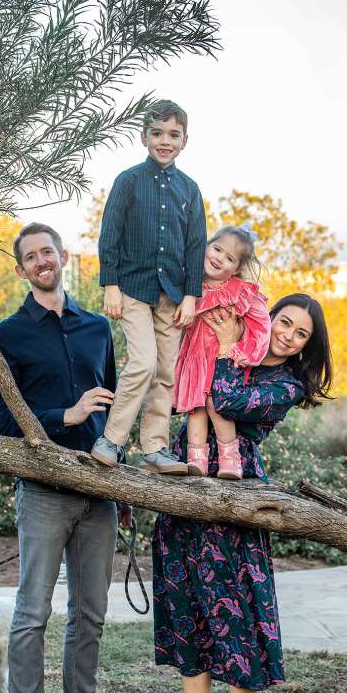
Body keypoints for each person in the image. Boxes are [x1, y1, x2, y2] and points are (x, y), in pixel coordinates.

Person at [153, 293, 334, 693]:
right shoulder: (237, 345)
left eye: (301, 334)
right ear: (269, 317)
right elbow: (183, 387)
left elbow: (226, 398)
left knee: (231, 610)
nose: (288, 335)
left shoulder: (286, 384)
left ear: (303, 348)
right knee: (185, 602)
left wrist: (226, 345)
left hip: (233, 492)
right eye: (285, 322)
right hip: (185, 478)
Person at [0, 222, 137, 693]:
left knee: (91, 615)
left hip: (98, 493)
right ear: (22, 269)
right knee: (31, 615)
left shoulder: (98, 327)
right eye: (31, 257)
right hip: (44, 492)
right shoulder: (6, 335)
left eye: (48, 251)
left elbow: (119, 412)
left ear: (63, 256)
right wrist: (64, 415)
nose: (42, 261)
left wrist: (119, 478)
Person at [91, 99, 207, 474]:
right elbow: (110, 235)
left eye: (173, 134)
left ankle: (155, 448)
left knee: (167, 371)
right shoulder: (129, 181)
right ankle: (111, 440)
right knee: (142, 362)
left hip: (172, 297)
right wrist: (110, 284)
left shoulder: (190, 190)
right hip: (133, 288)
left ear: (185, 141)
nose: (165, 141)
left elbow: (196, 246)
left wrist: (191, 296)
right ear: (143, 137)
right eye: (157, 133)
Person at [173, 223, 271, 481]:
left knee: (216, 405)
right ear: (206, 246)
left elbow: (261, 323)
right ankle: (196, 461)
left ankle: (231, 461)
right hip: (194, 360)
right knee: (195, 408)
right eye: (217, 249)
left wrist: (245, 352)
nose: (219, 258)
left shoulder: (238, 291)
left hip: (221, 360)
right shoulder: (189, 285)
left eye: (229, 258)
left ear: (237, 268)